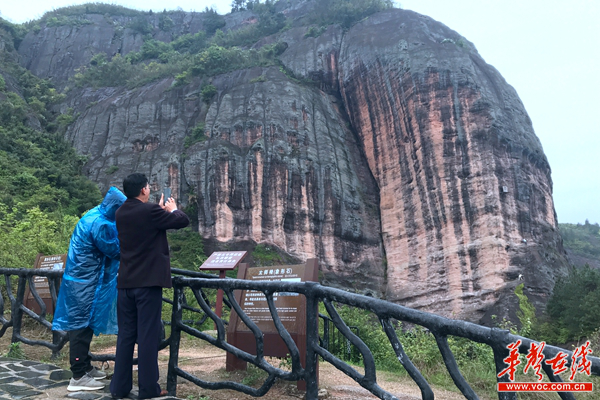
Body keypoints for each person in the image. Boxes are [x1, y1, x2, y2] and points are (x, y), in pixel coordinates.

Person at [110, 173, 190, 399]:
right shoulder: (150, 212)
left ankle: (119, 387)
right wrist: (172, 208)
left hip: (125, 283)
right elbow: (182, 221)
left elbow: (145, 222)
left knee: (125, 335)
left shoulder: (120, 212)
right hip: (147, 284)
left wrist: (158, 211)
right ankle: (148, 389)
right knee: (147, 335)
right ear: (144, 190)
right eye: (147, 187)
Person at [52, 186, 127, 391]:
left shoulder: (95, 214)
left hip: (83, 282)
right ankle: (78, 376)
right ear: (115, 207)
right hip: (85, 284)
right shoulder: (100, 224)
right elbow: (115, 250)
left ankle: (84, 367)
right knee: (80, 328)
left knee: (86, 325)